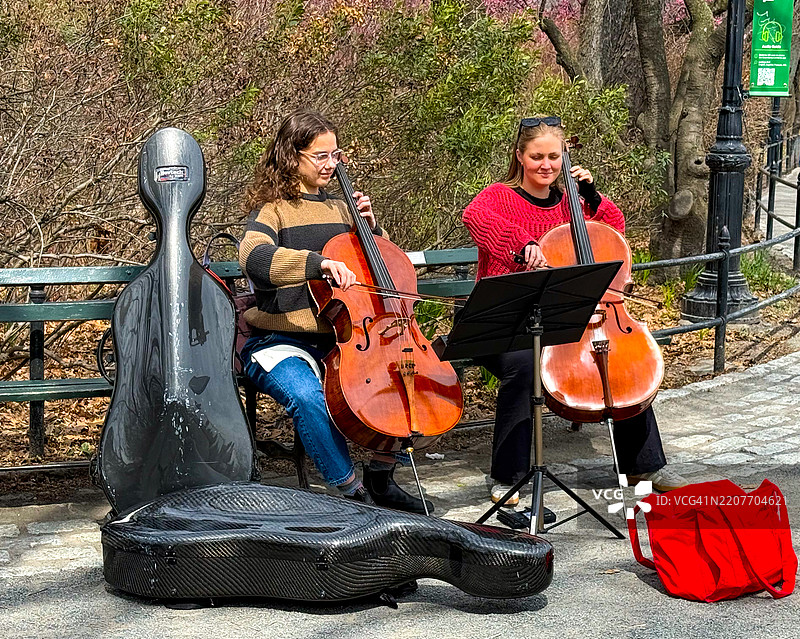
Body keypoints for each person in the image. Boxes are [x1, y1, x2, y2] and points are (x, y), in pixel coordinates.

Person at [462, 116, 688, 505]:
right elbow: (475, 218)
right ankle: (507, 476)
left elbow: (612, 232)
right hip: (504, 322)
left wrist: (593, 195)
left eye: (554, 156)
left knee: (619, 362)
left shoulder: (573, 203)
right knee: (524, 366)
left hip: (566, 321)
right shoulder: (497, 196)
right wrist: (525, 243)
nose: (545, 165)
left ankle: (642, 465)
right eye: (536, 157)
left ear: (565, 156)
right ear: (520, 156)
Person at [239, 109, 432, 514]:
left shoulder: (345, 211)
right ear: (293, 156)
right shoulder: (273, 210)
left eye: (335, 154)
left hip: (346, 341)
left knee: (413, 379)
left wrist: (371, 229)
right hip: (281, 338)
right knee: (307, 397)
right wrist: (317, 263)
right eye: (321, 156)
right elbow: (253, 257)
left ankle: (382, 474)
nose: (332, 164)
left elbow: (382, 270)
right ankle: (353, 494)